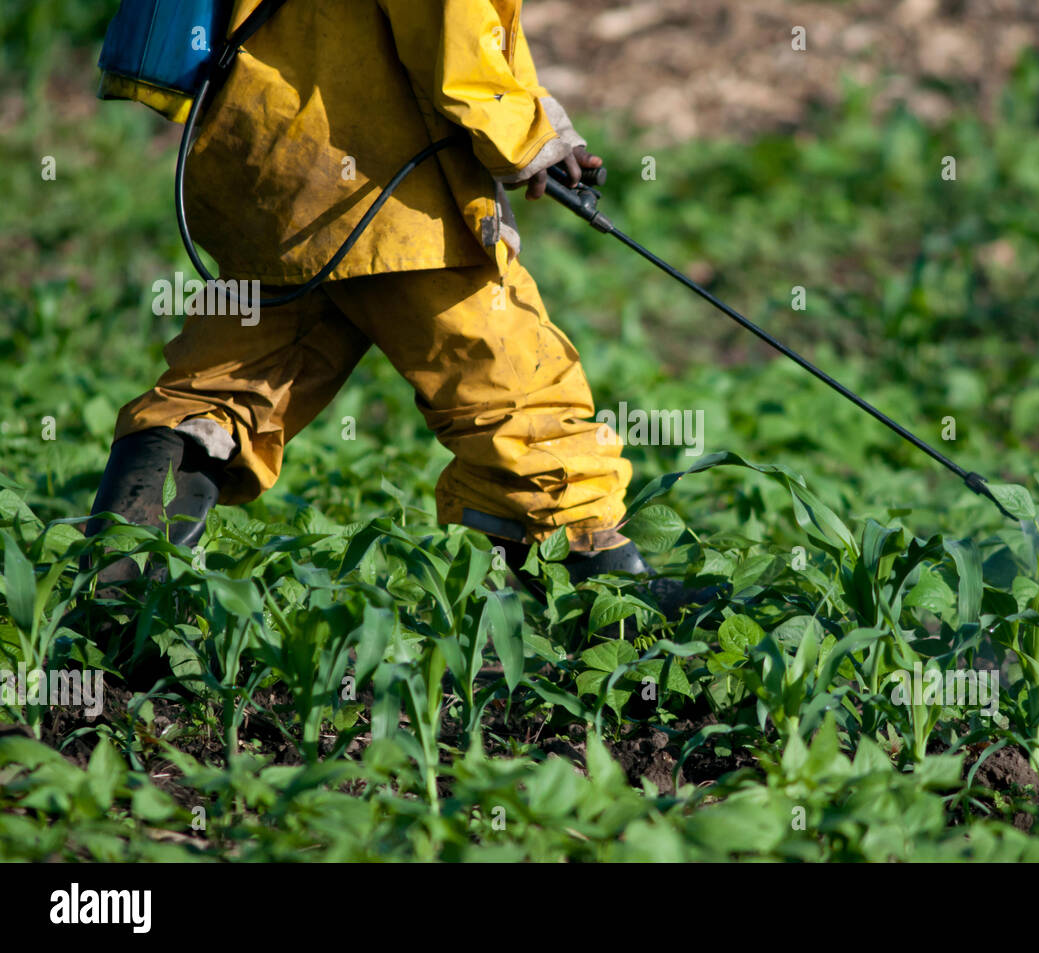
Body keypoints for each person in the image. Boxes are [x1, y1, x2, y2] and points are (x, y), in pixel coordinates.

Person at [87, 0, 666, 612]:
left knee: (217, 397)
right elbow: (453, 24)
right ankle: (614, 612)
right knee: (518, 394)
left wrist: (540, 120)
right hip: (389, 190)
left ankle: (116, 600)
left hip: (268, 162)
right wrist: (528, 138)